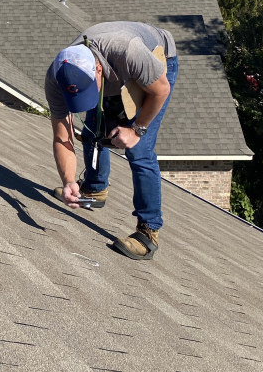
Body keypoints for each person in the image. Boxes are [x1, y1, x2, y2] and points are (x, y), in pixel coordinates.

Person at [46, 22, 179, 260]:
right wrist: (67, 181)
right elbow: (62, 136)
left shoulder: (127, 52)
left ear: (98, 69)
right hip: (115, 70)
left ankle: (148, 232)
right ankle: (94, 189)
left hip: (157, 60)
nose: (83, 100)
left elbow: (161, 90)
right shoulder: (57, 77)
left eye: (87, 92)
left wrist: (136, 130)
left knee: (139, 150)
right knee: (92, 129)